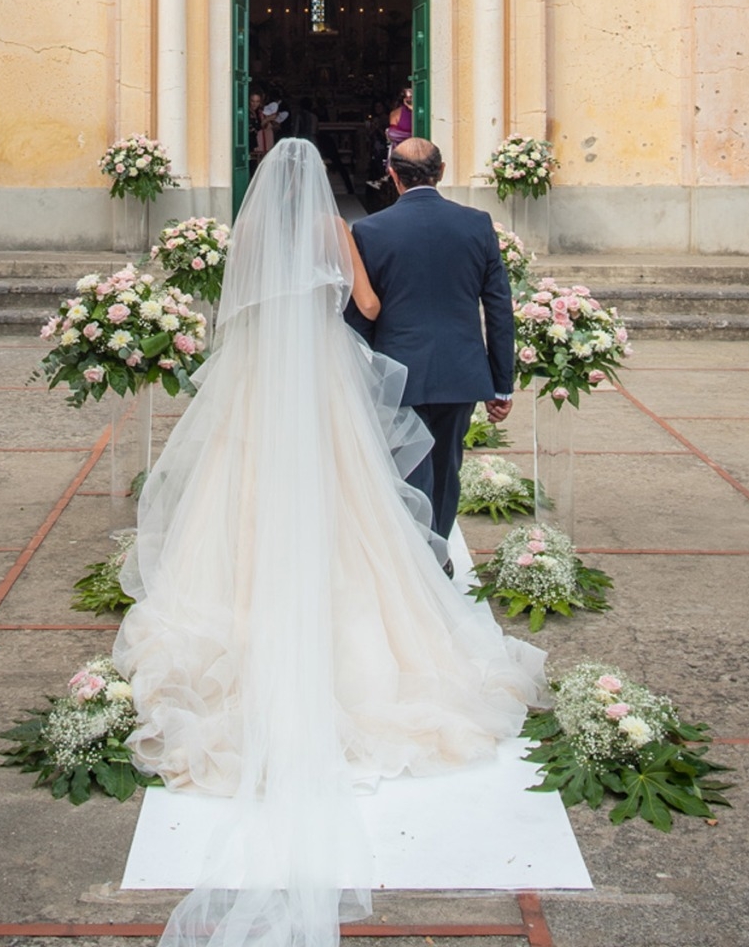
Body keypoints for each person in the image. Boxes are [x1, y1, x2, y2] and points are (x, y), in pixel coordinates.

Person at [114, 138, 544, 947]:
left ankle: (250, 591)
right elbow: (369, 311)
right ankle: (411, 572)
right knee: (373, 493)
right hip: (341, 381)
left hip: (256, 390)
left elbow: (252, 317)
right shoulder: (344, 231)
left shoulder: (258, 242)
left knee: (242, 492)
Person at [345, 137, 514, 542]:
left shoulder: (369, 230)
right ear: (441, 172)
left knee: (405, 465)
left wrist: (364, 370)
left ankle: (415, 554)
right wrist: (501, 383)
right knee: (446, 464)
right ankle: (437, 552)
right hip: (461, 367)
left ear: (392, 175)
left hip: (397, 368)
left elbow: (362, 314)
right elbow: (498, 308)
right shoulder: (477, 223)